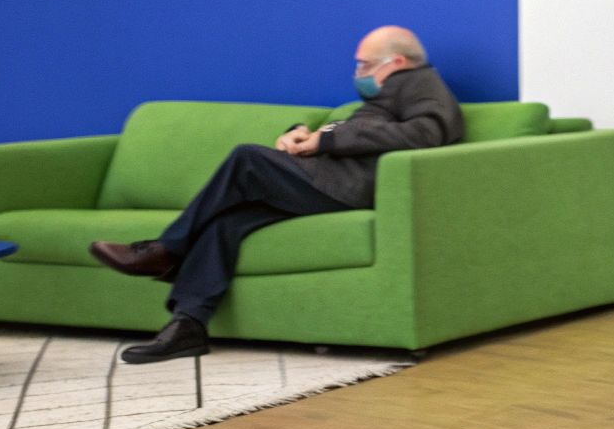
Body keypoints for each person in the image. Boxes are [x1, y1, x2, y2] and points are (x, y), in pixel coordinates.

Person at [90, 25, 463, 364]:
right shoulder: (383, 98)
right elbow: (358, 131)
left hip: (346, 189)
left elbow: (428, 132)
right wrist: (300, 133)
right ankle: (188, 324)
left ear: (396, 62)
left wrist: (327, 139)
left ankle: (164, 250)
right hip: (327, 183)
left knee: (247, 158)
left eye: (364, 66)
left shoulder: (421, 83)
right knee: (226, 222)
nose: (358, 74)